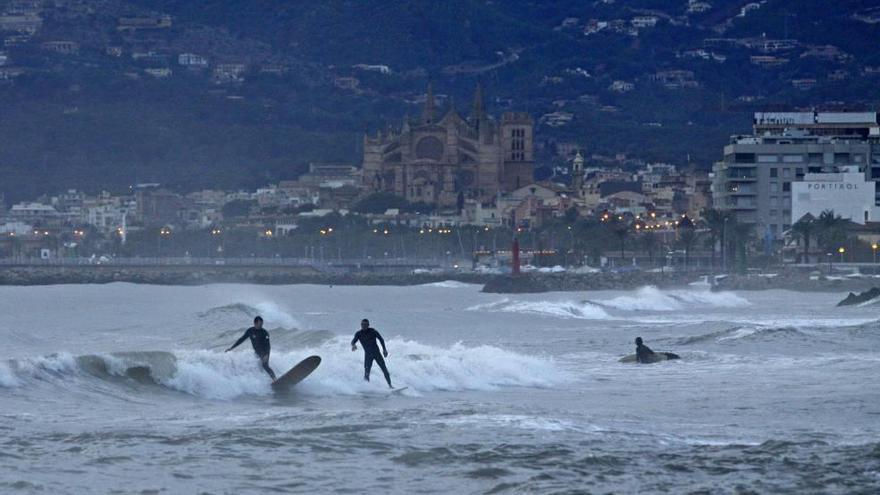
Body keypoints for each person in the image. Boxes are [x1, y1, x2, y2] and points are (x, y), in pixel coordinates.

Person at [227, 316, 277, 381]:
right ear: (255, 323)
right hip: (257, 352)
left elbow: (268, 345)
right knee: (260, 366)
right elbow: (241, 340)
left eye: (262, 324)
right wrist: (231, 348)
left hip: (265, 351)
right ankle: (266, 380)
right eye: (260, 324)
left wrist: (266, 355)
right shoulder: (250, 331)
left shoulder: (265, 332)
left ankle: (274, 379)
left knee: (265, 365)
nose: (261, 326)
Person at [351, 318, 392, 388]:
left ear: (368, 325)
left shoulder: (373, 331)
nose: (363, 326)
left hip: (377, 354)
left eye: (365, 325)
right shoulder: (358, 334)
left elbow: (381, 339)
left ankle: (390, 386)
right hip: (368, 356)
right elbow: (353, 341)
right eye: (362, 324)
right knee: (367, 372)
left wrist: (384, 350)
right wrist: (353, 345)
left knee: (384, 369)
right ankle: (366, 387)